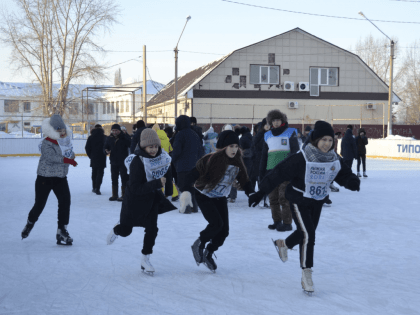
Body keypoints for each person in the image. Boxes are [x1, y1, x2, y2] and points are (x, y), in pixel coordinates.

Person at [249, 120, 360, 294]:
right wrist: (260, 192)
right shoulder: (302, 157)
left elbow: (343, 173)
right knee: (309, 234)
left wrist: (351, 181)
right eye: (324, 140)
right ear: (315, 140)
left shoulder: (333, 158)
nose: (327, 144)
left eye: (330, 140)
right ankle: (306, 273)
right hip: (299, 199)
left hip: (317, 200)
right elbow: (278, 173)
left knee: (304, 233)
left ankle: (284, 244)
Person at [179, 130, 254, 272]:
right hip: (204, 195)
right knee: (216, 224)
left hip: (220, 197)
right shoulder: (210, 159)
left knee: (224, 231)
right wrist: (186, 190)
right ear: (223, 147)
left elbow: (244, 180)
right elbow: (192, 175)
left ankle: (209, 252)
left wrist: (252, 194)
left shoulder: (238, 162)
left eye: (236, 146)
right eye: (231, 146)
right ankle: (199, 244)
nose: (234, 149)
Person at [106, 129, 176, 275]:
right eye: (150, 147)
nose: (153, 149)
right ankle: (117, 229)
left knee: (152, 229)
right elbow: (135, 188)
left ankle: (145, 259)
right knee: (126, 231)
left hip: (151, 202)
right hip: (133, 202)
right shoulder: (137, 162)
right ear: (143, 146)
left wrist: (168, 193)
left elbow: (168, 174)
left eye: (156, 146)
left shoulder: (163, 158)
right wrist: (157, 183)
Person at [21, 114, 77, 245]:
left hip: (61, 178)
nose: (62, 133)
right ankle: (30, 223)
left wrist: (71, 156)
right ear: (53, 130)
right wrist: (67, 159)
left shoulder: (66, 141)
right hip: (45, 178)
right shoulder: (47, 142)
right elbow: (50, 157)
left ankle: (62, 231)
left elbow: (70, 152)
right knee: (40, 205)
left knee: (65, 202)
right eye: (59, 130)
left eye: (63, 130)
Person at [260, 110, 299, 232]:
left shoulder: (291, 132)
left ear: (282, 121)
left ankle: (287, 223)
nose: (276, 123)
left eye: (278, 120)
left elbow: (295, 152)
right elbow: (264, 156)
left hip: (285, 171)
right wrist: (262, 173)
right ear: (270, 122)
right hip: (271, 171)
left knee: (284, 198)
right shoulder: (267, 135)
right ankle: (277, 221)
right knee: (273, 198)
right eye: (273, 120)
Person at [172, 115, 204, 213]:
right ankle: (194, 207)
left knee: (184, 187)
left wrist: (173, 160)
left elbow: (177, 151)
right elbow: (201, 150)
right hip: (195, 166)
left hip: (183, 166)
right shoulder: (194, 134)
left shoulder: (180, 135)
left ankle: (186, 208)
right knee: (191, 187)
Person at [104, 124, 131, 201]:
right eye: (113, 130)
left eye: (116, 130)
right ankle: (114, 195)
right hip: (113, 162)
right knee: (114, 178)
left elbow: (130, 143)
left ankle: (124, 195)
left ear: (119, 131)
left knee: (124, 178)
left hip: (123, 162)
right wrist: (106, 151)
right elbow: (105, 147)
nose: (115, 132)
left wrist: (125, 135)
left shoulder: (124, 137)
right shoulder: (109, 138)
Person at [152, 123, 179, 201]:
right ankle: (175, 193)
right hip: (167, 161)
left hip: (158, 160)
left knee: (159, 178)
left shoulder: (155, 138)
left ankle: (161, 194)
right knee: (168, 178)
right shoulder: (166, 138)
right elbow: (171, 149)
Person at [250, 118, 269, 207]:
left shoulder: (271, 134)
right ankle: (262, 200)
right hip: (260, 161)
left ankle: (266, 199)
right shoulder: (260, 135)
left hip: (269, 160)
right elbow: (254, 144)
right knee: (262, 180)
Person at [85, 124, 107, 195]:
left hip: (94, 157)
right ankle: (98, 188)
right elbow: (108, 147)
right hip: (102, 157)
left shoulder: (90, 137)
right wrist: (105, 153)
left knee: (94, 172)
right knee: (100, 173)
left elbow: (87, 148)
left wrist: (90, 156)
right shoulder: (104, 137)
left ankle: (94, 187)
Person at [239, 125, 253, 192]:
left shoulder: (243, 138)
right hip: (252, 156)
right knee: (250, 172)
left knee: (244, 171)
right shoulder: (251, 136)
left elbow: (240, 147)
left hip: (244, 156)